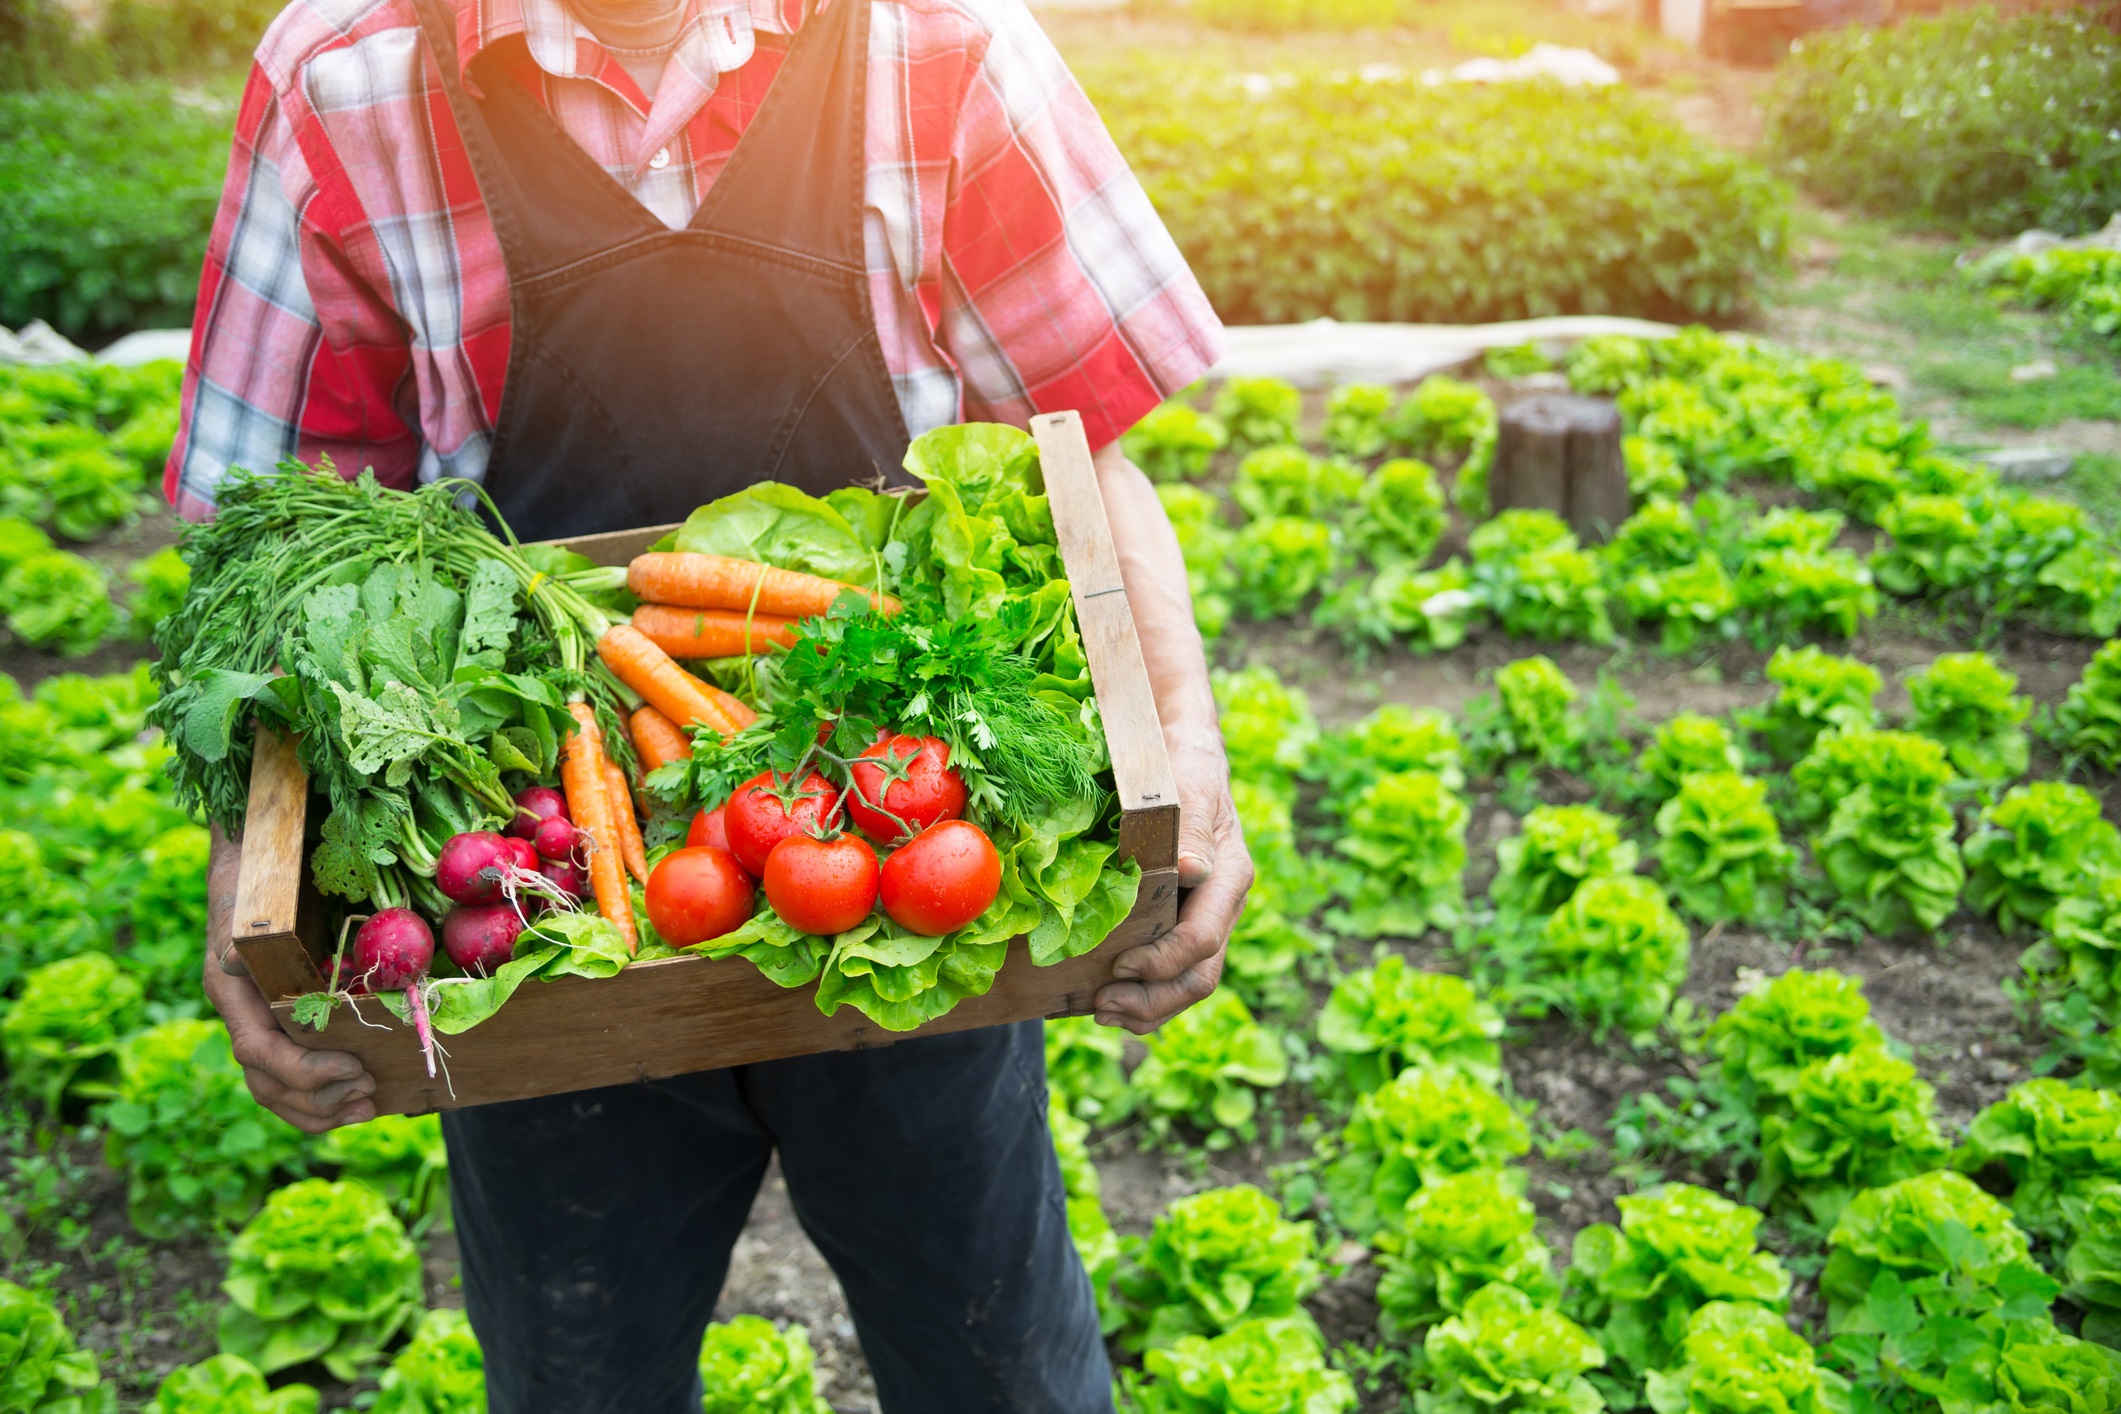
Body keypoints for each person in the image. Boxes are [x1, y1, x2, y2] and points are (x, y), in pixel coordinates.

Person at [169, 0, 1248, 1404]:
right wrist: (244, 891)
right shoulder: (344, 76)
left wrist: (1192, 765)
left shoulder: (938, 40)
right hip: (547, 887)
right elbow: (282, 553)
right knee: (577, 1370)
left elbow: (1084, 439)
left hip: (896, 860)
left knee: (1000, 1360)